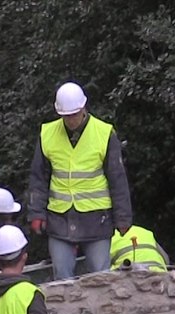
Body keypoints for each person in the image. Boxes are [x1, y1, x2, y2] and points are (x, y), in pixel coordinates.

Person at [28, 81, 134, 280]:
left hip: (97, 217)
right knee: (61, 277)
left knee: (101, 277)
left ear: (83, 108)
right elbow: (38, 177)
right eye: (66, 116)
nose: (70, 120)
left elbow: (117, 178)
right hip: (60, 217)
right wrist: (36, 212)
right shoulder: (48, 134)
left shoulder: (104, 133)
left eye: (74, 115)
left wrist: (123, 217)